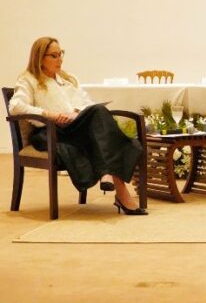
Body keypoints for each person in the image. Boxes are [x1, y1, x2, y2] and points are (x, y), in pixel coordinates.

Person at [9, 37, 147, 215]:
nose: (60, 59)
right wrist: (50, 115)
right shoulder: (28, 80)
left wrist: (76, 112)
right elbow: (16, 106)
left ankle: (111, 179)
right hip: (52, 131)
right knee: (102, 118)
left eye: (61, 54)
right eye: (54, 56)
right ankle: (118, 189)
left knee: (97, 110)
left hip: (75, 127)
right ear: (40, 57)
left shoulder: (68, 79)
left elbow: (86, 103)